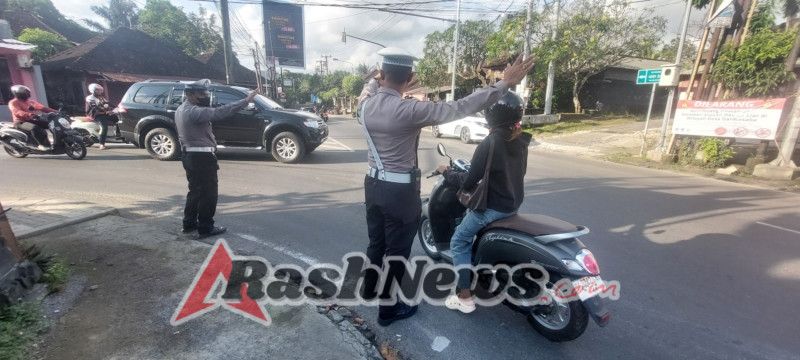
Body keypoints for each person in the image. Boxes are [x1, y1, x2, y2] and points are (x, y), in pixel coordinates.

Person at [357, 47, 535, 326]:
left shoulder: (364, 105)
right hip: (400, 193)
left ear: (382, 75)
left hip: (373, 186)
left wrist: (373, 80)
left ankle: (369, 289)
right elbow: (461, 106)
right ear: (410, 76)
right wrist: (505, 84)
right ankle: (388, 310)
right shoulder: (409, 110)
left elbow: (368, 90)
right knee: (397, 252)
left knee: (376, 243)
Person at [435, 92, 533, 314]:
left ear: (492, 113)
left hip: (492, 208)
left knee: (459, 240)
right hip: (512, 204)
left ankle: (465, 298)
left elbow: (468, 180)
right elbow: (518, 172)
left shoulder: (490, 142)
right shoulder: (520, 138)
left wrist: (446, 172)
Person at [175, 79, 257, 239]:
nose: (205, 96)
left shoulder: (180, 109)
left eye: (206, 93)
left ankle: (189, 224)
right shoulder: (194, 111)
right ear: (190, 95)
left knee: (195, 192)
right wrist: (245, 101)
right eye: (201, 93)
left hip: (189, 156)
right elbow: (220, 112)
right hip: (201, 158)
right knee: (208, 194)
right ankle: (205, 227)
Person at [8, 85, 57, 151]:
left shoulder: (31, 102)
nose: (27, 94)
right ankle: (42, 145)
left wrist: (57, 112)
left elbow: (44, 108)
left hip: (33, 120)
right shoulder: (13, 102)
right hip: (21, 122)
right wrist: (30, 114)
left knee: (52, 123)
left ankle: (58, 141)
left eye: (28, 92)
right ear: (17, 94)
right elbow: (17, 111)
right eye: (25, 93)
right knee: (35, 128)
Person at [84, 83, 115, 150]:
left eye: (100, 90)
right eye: (97, 90)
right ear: (93, 90)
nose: (99, 91)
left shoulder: (101, 98)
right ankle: (101, 144)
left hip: (104, 114)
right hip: (96, 115)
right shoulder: (90, 98)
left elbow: (109, 104)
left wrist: (117, 107)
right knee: (104, 127)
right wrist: (106, 111)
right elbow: (95, 108)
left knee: (117, 119)